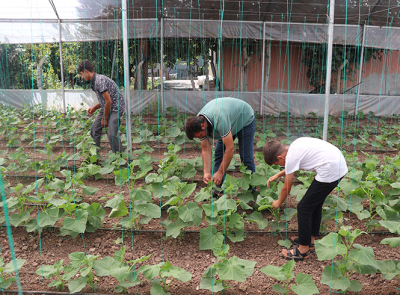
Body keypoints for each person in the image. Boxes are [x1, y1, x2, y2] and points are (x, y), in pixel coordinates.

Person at [263, 137, 348, 261]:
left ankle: (303, 250)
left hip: (331, 169)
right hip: (336, 163)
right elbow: (291, 165)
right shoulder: (294, 145)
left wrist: (278, 202)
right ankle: (310, 241)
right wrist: (278, 174)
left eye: (278, 165)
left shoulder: (290, 157)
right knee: (315, 204)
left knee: (303, 207)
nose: (280, 166)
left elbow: (286, 188)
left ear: (280, 158)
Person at [185, 97, 256, 197]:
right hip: (229, 120)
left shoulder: (220, 120)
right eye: (199, 137)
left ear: (203, 125)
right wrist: (206, 172)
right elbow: (205, 149)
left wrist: (220, 172)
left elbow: (230, 148)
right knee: (219, 154)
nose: (201, 138)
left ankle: (252, 192)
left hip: (244, 118)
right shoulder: (197, 123)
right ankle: (217, 190)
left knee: (246, 156)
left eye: (200, 135)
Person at [77, 60, 125, 156]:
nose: (82, 77)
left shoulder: (99, 81)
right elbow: (105, 101)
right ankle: (93, 157)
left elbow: (109, 101)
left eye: (82, 74)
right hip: (108, 106)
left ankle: (121, 159)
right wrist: (95, 108)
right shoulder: (94, 81)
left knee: (111, 133)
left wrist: (104, 118)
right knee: (94, 129)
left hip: (116, 107)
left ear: (86, 71)